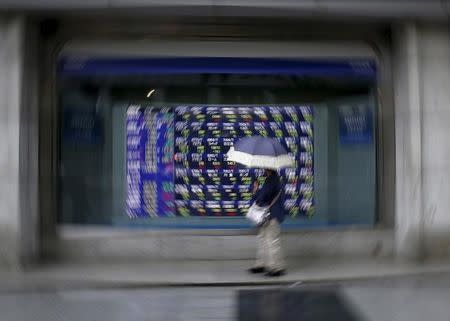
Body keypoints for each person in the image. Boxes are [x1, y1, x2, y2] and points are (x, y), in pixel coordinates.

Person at [249, 169, 286, 277]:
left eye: (264, 167)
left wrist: (256, 190)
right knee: (263, 239)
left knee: (271, 241)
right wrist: (258, 191)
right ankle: (262, 264)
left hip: (271, 216)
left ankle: (276, 268)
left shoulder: (272, 180)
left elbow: (263, 198)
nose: (263, 169)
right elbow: (265, 196)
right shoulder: (273, 179)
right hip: (269, 216)